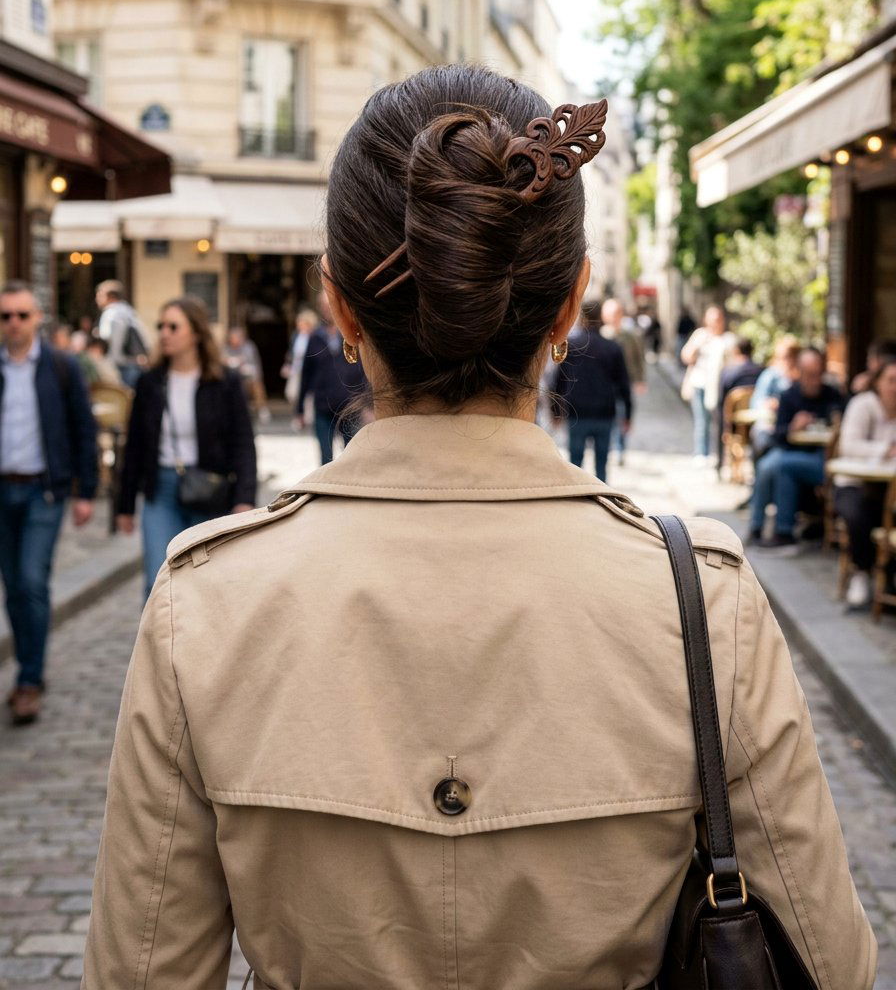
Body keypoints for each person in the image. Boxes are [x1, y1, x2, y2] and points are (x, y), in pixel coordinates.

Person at [82, 68, 875, 989]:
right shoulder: (698, 596)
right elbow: (830, 964)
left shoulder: (205, 600)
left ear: (339, 306)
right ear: (570, 306)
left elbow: (142, 971)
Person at [0, 280, 97, 725]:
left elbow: (82, 429)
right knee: (14, 589)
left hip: (44, 490)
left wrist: (86, 491)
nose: (14, 324)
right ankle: (29, 667)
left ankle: (29, 680)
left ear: (37, 318)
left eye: (22, 315)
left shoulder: (61, 366)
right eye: (6, 316)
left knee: (32, 582)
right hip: (3, 491)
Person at [116, 296, 257, 598]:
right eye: (161, 326)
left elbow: (243, 443)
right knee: (157, 581)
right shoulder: (150, 382)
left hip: (209, 488)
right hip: (161, 489)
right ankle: (158, 646)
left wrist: (244, 499)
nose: (164, 333)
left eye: (173, 326)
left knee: (204, 585)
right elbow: (135, 446)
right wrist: (124, 505)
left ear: (195, 333)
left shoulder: (224, 381)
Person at [747, 347, 845, 552]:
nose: (815, 380)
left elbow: (841, 424)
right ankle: (757, 527)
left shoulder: (833, 395)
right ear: (799, 373)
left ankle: (782, 532)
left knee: (781, 465)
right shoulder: (789, 395)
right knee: (767, 465)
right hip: (792, 449)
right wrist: (793, 427)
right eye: (810, 375)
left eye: (819, 374)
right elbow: (779, 435)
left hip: (822, 455)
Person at [834, 357, 896, 610]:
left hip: (889, 487)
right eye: (891, 381)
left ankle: (889, 578)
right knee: (858, 515)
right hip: (854, 482)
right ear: (878, 383)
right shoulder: (863, 405)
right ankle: (861, 572)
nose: (895, 387)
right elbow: (848, 445)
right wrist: (885, 450)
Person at [554, 302, 631, 481]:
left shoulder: (571, 345)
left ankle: (574, 502)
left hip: (577, 411)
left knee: (574, 463)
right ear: (602, 318)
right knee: (601, 465)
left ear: (581, 318)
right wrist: (628, 414)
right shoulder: (612, 347)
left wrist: (555, 410)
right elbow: (623, 384)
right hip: (604, 412)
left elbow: (560, 380)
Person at [296, 292, 367, 463]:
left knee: (352, 459)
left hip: (350, 405)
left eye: (330, 304)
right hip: (323, 406)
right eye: (324, 306)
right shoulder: (315, 338)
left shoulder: (353, 334)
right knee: (325, 458)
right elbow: (306, 374)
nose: (328, 309)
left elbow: (365, 369)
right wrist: (299, 409)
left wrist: (368, 402)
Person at [680, 305, 735, 464]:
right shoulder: (700, 335)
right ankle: (701, 453)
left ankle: (718, 453)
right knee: (701, 420)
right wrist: (697, 345)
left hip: (720, 385)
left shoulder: (728, 339)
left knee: (719, 422)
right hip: (700, 383)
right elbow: (686, 356)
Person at [600, 297, 645, 467]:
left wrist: (640, 380)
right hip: (604, 383)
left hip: (623, 382)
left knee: (622, 414)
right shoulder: (600, 334)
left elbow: (638, 358)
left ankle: (619, 449)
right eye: (611, 313)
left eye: (617, 313)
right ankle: (608, 447)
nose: (614, 317)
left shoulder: (630, 336)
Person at [749, 335, 801, 459]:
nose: (785, 361)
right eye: (782, 357)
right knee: (764, 439)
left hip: (796, 427)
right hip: (770, 424)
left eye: (789, 357)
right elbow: (756, 403)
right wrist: (772, 404)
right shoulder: (770, 376)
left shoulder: (802, 379)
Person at [716, 336, 763, 470]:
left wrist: (726, 428)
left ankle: (721, 464)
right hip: (756, 422)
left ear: (736, 351)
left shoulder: (729, 372)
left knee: (721, 414)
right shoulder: (761, 371)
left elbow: (722, 402)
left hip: (735, 424)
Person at [95, 279, 151, 388]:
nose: (97, 299)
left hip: (120, 365)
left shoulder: (111, 314)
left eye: (100, 295)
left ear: (110, 296)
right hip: (134, 363)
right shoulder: (129, 311)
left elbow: (109, 339)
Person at [224, 325, 270, 424]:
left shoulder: (248, 347)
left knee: (256, 385)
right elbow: (224, 362)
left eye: (237, 337)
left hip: (248, 377)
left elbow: (253, 364)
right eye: (233, 338)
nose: (234, 340)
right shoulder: (227, 348)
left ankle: (262, 409)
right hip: (232, 378)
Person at [281, 308, 319, 408]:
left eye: (301, 322)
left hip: (308, 369)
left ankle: (305, 417)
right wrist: (287, 365)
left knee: (308, 395)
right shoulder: (296, 336)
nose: (298, 325)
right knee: (292, 393)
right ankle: (298, 412)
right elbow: (291, 352)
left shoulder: (315, 336)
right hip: (296, 368)